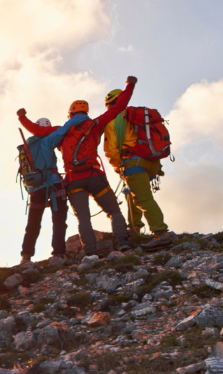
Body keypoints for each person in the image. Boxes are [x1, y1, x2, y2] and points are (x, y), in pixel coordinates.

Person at [17, 76, 138, 257]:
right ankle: (123, 243)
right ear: (86, 112)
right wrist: (129, 86)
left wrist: (22, 117)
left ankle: (90, 253)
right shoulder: (96, 124)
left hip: (74, 181)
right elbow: (119, 107)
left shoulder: (62, 131)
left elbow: (37, 131)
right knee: (113, 210)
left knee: (83, 218)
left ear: (70, 114)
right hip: (95, 176)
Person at [102, 88, 173, 251]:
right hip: (151, 162)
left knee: (142, 199)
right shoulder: (136, 117)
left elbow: (111, 151)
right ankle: (135, 227)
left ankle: (160, 233)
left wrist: (118, 167)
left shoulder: (113, 122)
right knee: (133, 192)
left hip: (133, 163)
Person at [19, 114, 87, 263]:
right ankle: (58, 253)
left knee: (33, 223)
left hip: (35, 188)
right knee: (59, 220)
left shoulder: (27, 145)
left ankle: (26, 255)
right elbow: (64, 129)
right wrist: (81, 116)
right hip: (53, 184)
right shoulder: (48, 140)